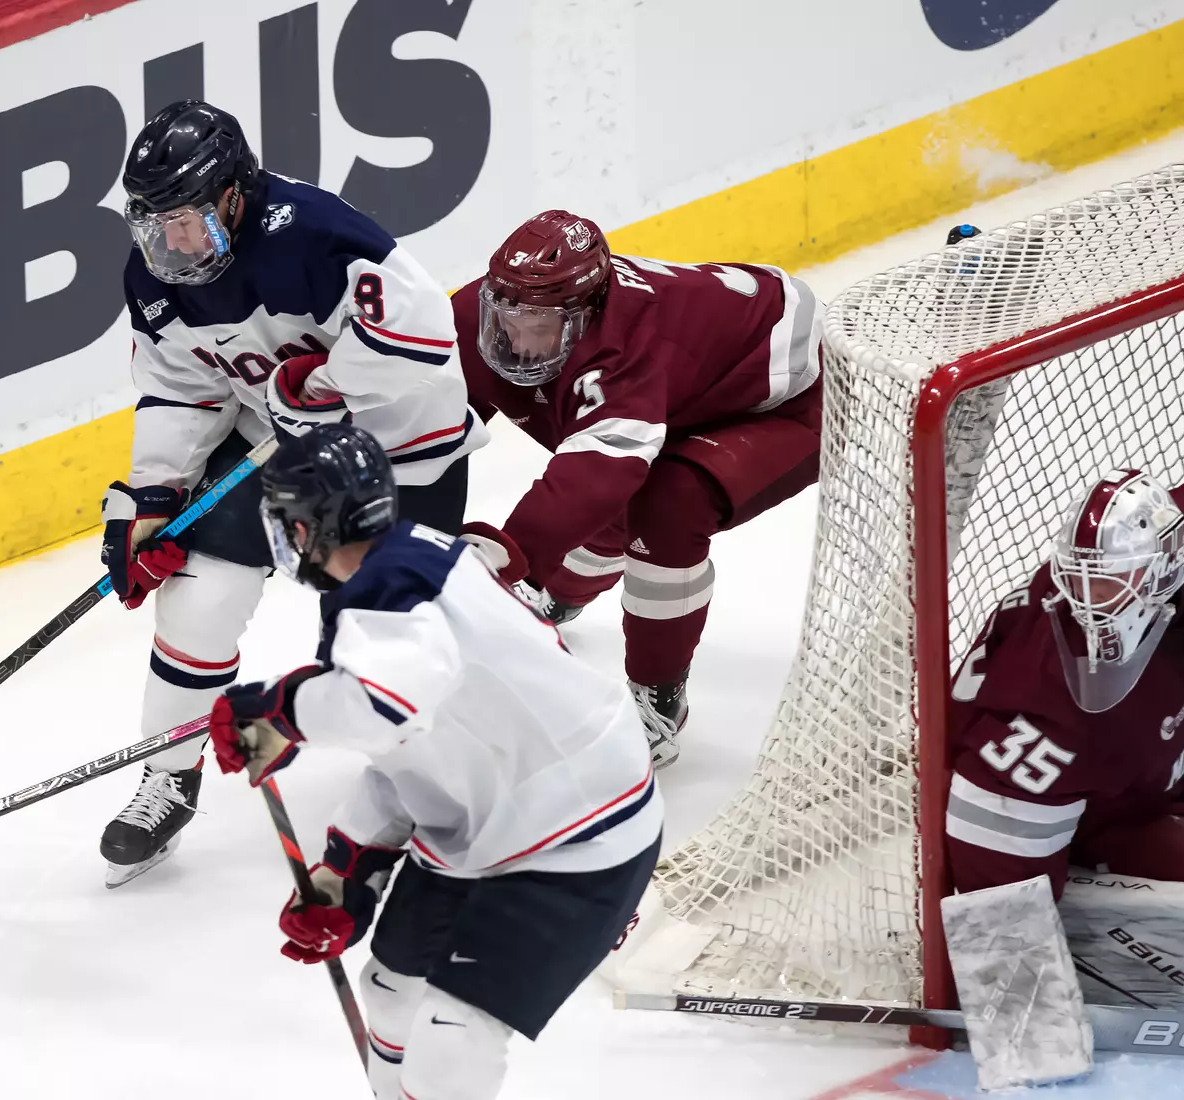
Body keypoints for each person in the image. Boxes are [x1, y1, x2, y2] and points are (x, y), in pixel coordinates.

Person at [209, 424, 661, 1100]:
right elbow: (413, 747)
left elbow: (386, 709)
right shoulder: (398, 570)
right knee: (390, 994)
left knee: (452, 1036)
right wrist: (346, 871)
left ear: (309, 526)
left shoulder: (391, 591)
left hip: (579, 829)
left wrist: (285, 708)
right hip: (493, 815)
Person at [98, 100, 484, 886]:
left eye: (190, 221)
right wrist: (154, 497)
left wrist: (334, 380)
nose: (173, 244)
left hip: (399, 445)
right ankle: (167, 777)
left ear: (235, 195)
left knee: (392, 626)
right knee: (198, 597)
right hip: (277, 443)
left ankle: (425, 776)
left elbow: (424, 334)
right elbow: (180, 390)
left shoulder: (316, 233)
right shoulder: (155, 276)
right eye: (156, 224)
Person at [452, 210, 824, 766]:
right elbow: (436, 422)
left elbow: (596, 477)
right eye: (509, 317)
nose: (519, 341)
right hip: (690, 378)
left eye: (541, 323)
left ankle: (658, 700)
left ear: (587, 313)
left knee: (668, 503)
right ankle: (561, 592)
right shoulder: (470, 313)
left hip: (785, 396)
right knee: (614, 483)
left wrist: (507, 560)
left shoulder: (627, 348)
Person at [946, 468, 1184, 895]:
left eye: (1105, 582)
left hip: (1153, 772)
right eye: (1082, 580)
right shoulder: (1055, 708)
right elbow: (1004, 915)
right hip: (1088, 817)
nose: (1089, 601)